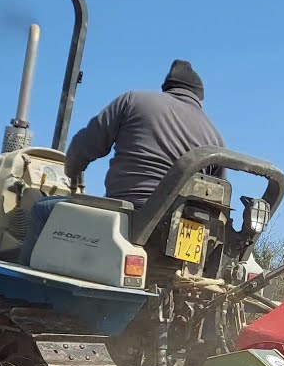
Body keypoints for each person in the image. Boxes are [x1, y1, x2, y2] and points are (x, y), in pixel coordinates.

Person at [20, 59, 224, 264]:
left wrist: (73, 172)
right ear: (200, 98)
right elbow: (217, 201)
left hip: (126, 218)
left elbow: (82, 147)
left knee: (42, 209)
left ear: (167, 88)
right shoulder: (215, 138)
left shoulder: (134, 101)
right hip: (178, 235)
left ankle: (26, 287)